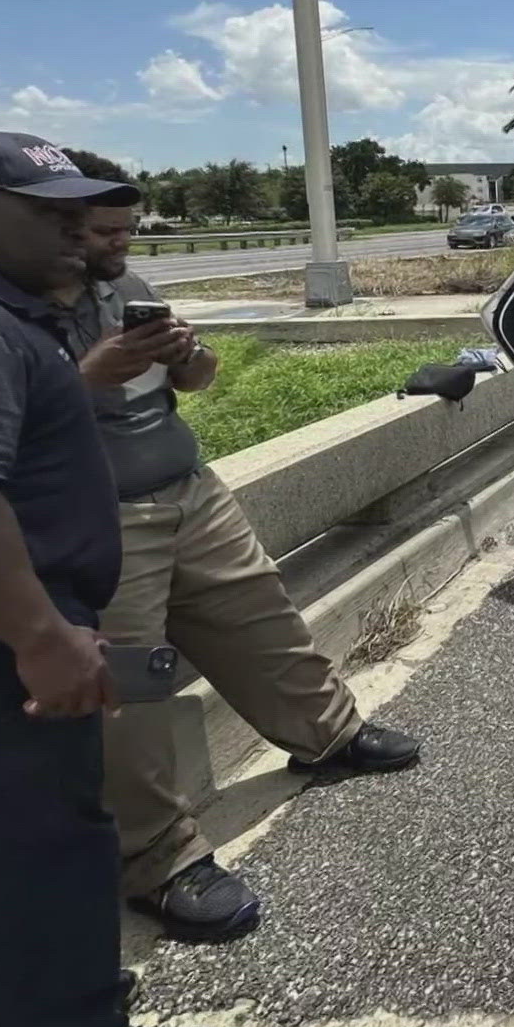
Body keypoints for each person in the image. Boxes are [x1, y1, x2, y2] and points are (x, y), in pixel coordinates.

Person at [0, 131, 216, 1027]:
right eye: (50, 211)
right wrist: (39, 635)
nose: (78, 230)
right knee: (37, 868)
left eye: (83, 210)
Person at [53, 203, 424, 944]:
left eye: (125, 228)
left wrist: (187, 357)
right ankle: (159, 862)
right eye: (101, 230)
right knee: (128, 688)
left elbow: (200, 381)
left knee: (261, 615)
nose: (119, 243)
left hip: (188, 486)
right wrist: (88, 377)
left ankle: (327, 736)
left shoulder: (124, 285)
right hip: (99, 515)